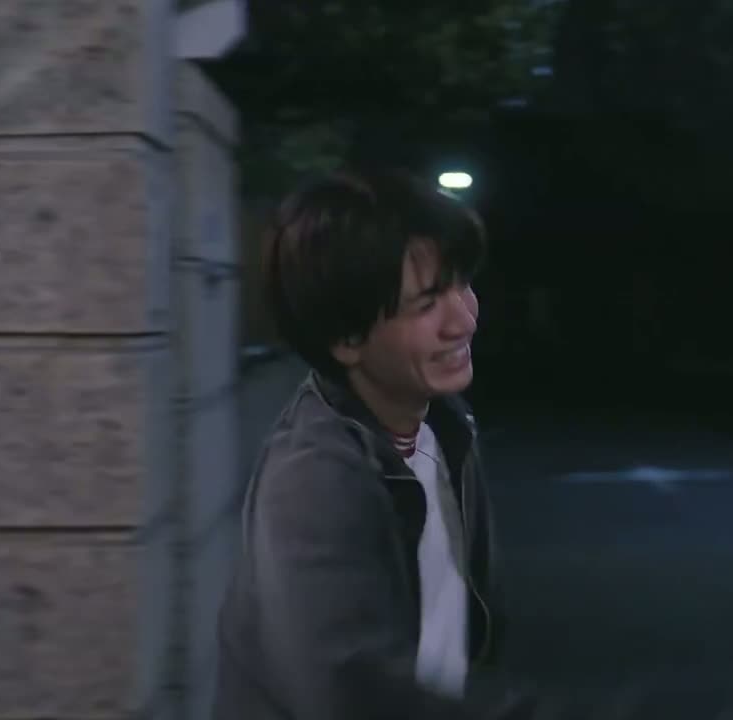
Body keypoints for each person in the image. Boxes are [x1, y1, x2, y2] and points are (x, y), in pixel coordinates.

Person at [212, 168, 580, 719]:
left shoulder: (445, 425)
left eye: (461, 284)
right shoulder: (314, 478)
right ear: (347, 338)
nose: (463, 319)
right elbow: (353, 691)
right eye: (427, 304)